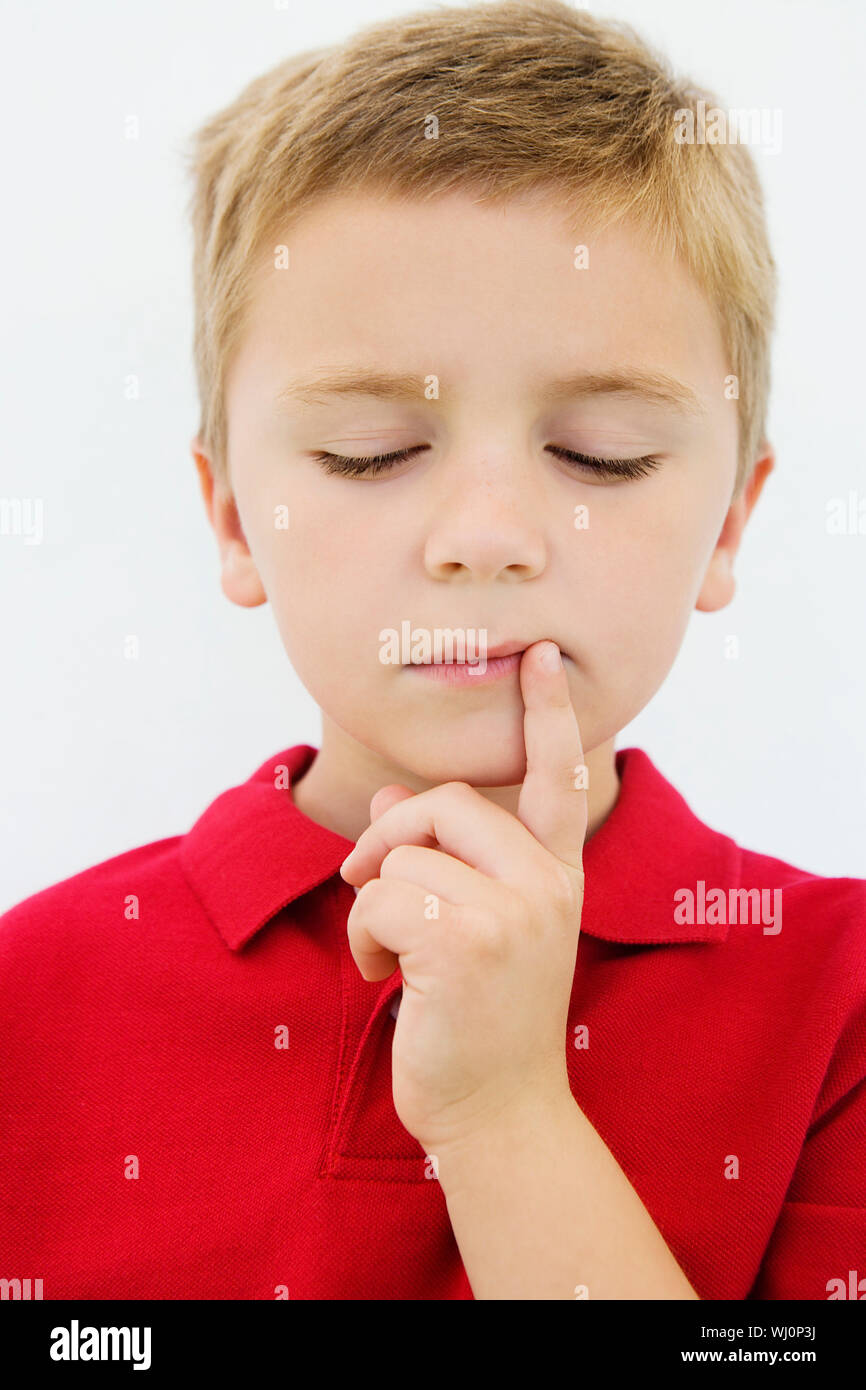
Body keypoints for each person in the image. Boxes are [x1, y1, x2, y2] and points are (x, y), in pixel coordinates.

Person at [2, 0, 863, 1300]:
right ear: (234, 518)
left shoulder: (834, 999)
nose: (488, 537)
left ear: (730, 519)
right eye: (372, 453)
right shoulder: (36, 992)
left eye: (599, 454)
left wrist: (506, 1114)